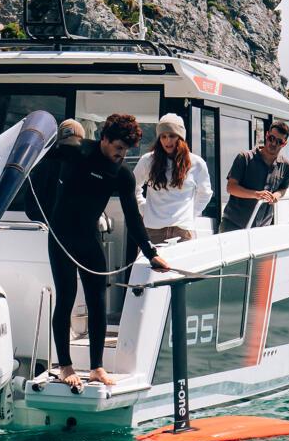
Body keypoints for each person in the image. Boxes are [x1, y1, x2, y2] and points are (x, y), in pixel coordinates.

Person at [31, 113, 171, 392]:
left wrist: (151, 252)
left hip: (89, 238)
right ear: (105, 139)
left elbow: (133, 219)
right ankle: (65, 366)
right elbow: (40, 166)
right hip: (61, 237)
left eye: (127, 151)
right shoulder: (76, 152)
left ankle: (96, 368)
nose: (122, 154)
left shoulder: (121, 175)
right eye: (119, 148)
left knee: (98, 303)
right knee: (67, 297)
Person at [133, 112, 212, 245]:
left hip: (182, 231)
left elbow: (205, 193)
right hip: (152, 229)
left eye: (172, 136)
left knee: (182, 266)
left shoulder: (196, 163)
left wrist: (190, 214)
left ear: (181, 138)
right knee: (150, 265)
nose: (167, 141)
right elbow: (132, 186)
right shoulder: (148, 160)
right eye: (163, 136)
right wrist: (143, 208)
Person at [220, 119, 289, 231]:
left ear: (284, 144)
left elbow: (283, 188)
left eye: (279, 141)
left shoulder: (287, 166)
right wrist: (256, 194)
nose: (273, 143)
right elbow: (231, 188)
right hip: (233, 226)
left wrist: (276, 196)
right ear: (266, 135)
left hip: (263, 229)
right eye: (271, 138)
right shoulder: (244, 158)